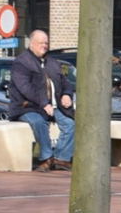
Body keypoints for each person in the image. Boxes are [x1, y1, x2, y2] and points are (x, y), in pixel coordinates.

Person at [9, 26, 75, 169]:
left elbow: (65, 82)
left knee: (70, 124)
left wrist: (67, 95)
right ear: (31, 44)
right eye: (41, 43)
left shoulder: (53, 63)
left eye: (46, 43)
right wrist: (44, 103)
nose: (44, 46)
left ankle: (61, 158)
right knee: (39, 123)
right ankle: (46, 158)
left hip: (54, 106)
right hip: (27, 107)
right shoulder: (21, 62)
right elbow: (26, 88)